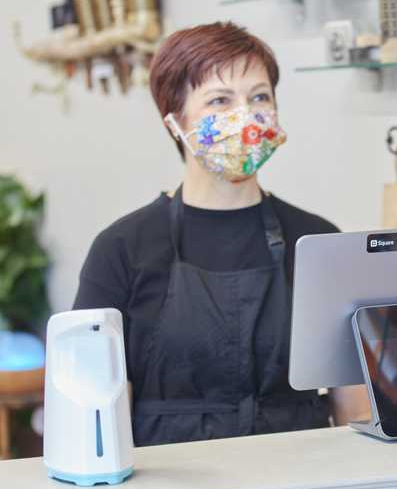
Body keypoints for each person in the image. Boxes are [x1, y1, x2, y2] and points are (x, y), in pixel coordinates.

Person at [74, 22, 370, 447]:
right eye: (219, 101)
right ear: (175, 122)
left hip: (297, 482)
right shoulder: (122, 249)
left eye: (259, 97)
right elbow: (96, 420)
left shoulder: (318, 241)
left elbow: (353, 408)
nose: (245, 117)